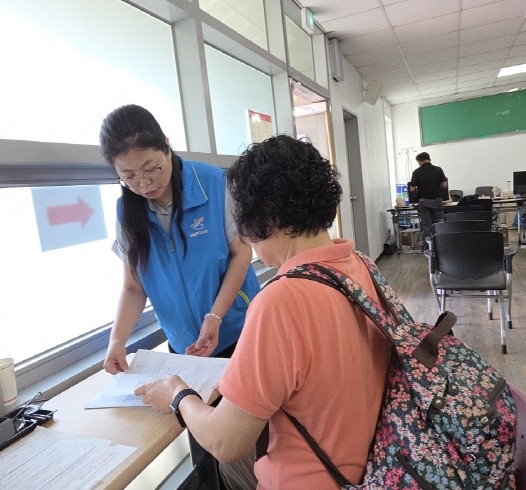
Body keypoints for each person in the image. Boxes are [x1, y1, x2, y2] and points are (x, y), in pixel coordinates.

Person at [135, 135, 392, 488]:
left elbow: (226, 442)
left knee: (229, 465)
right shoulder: (361, 265)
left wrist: (176, 393)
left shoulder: (282, 301)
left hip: (316, 479)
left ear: (264, 218)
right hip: (378, 460)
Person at [99, 104, 260, 367]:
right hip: (184, 346)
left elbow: (242, 253)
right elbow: (133, 287)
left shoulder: (215, 184)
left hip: (238, 331)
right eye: (128, 177)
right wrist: (117, 340)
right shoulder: (126, 213)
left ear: (166, 146)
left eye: (151, 169)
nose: (144, 184)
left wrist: (215, 316)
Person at [409, 151, 448, 249]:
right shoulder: (438, 169)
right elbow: (444, 185)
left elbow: (412, 188)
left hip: (424, 201)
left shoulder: (416, 172)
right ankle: (441, 247)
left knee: (426, 225)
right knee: (439, 223)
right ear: (429, 159)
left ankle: (428, 248)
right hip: (437, 200)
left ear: (419, 161)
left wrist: (417, 190)